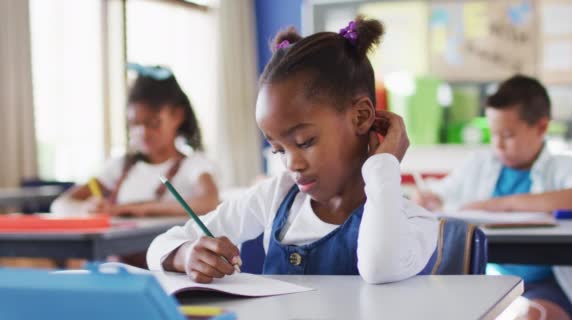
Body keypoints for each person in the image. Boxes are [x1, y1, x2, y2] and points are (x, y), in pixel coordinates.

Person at [147, 16, 438, 285]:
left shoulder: (413, 222)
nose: (292, 164)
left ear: (361, 117)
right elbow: (160, 246)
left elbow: (380, 267)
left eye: (305, 142)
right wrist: (184, 255)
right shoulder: (275, 198)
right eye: (278, 151)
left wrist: (384, 164)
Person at [413, 75, 572, 320]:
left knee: (535, 317)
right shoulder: (479, 164)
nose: (498, 144)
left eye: (508, 135)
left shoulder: (561, 165)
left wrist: (502, 205)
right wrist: (429, 199)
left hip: (547, 285)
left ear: (541, 127)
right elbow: (440, 194)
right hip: (491, 281)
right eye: (493, 134)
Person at [51, 65, 220, 218]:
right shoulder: (119, 168)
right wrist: (87, 209)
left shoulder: (194, 166)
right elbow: (61, 204)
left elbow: (209, 202)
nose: (143, 133)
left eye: (153, 123)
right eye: (134, 124)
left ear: (177, 116)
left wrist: (136, 209)